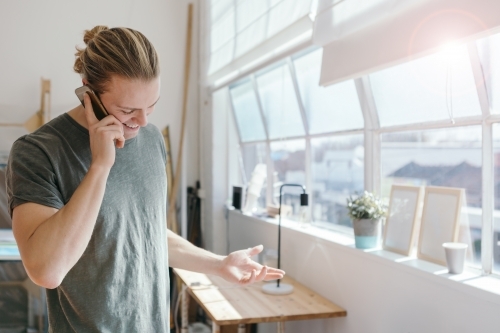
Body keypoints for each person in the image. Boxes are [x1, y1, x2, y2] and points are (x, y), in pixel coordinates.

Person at [5, 26, 284, 332]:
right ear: (88, 91)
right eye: (128, 110)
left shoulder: (151, 139)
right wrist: (100, 166)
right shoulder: (37, 152)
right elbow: (47, 270)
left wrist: (218, 264)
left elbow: (144, 233)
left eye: (151, 105)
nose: (143, 121)